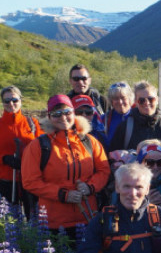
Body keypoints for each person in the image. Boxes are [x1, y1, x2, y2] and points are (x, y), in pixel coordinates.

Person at [21, 94, 109, 234]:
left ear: (74, 113)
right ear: (49, 117)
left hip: (88, 217)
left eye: (67, 112)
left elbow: (104, 170)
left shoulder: (90, 142)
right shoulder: (38, 146)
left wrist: (90, 186)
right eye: (57, 114)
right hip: (54, 222)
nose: (63, 117)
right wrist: (62, 194)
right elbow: (30, 181)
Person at [0, 85, 42, 208]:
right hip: (5, 181)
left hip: (30, 180)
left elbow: (44, 148)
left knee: (32, 219)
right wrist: (4, 159)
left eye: (15, 100)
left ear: (21, 101)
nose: (11, 104)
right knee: (8, 221)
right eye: (7, 101)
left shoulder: (32, 123)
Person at [110, 81, 161, 151]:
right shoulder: (124, 128)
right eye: (142, 100)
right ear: (136, 101)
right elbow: (114, 157)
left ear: (157, 100)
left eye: (151, 99)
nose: (147, 103)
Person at [137, 139, 161, 207]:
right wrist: (145, 203)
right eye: (150, 162)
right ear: (140, 162)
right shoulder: (130, 182)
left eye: (160, 162)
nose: (155, 167)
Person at [104, 81, 134, 146]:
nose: (120, 102)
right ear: (111, 101)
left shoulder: (138, 117)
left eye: (123, 98)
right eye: (116, 98)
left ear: (130, 98)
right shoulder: (104, 120)